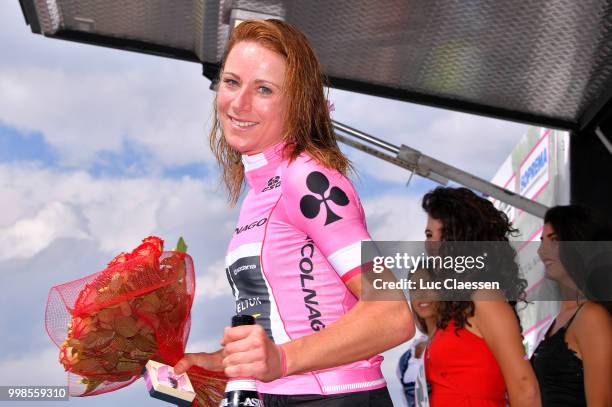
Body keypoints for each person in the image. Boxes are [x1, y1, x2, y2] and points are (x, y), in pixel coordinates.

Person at [173, 19, 413, 405]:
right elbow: (283, 328)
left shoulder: (308, 176)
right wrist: (218, 363)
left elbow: (392, 314)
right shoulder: (260, 189)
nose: (239, 103)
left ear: (297, 103)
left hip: (335, 397)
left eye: (264, 89)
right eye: (232, 82)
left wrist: (281, 360)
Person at [421, 187, 540, 407]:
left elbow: (525, 388)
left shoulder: (485, 297)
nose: (432, 245)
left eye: (445, 235)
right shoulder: (455, 305)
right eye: (429, 235)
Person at [532, 205, 612, 407]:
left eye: (555, 239)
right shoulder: (562, 317)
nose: (542, 251)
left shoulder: (592, 316)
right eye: (542, 241)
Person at [397, 268, 437, 406]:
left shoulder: (462, 342)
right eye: (414, 288)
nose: (421, 294)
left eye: (428, 285)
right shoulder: (406, 360)